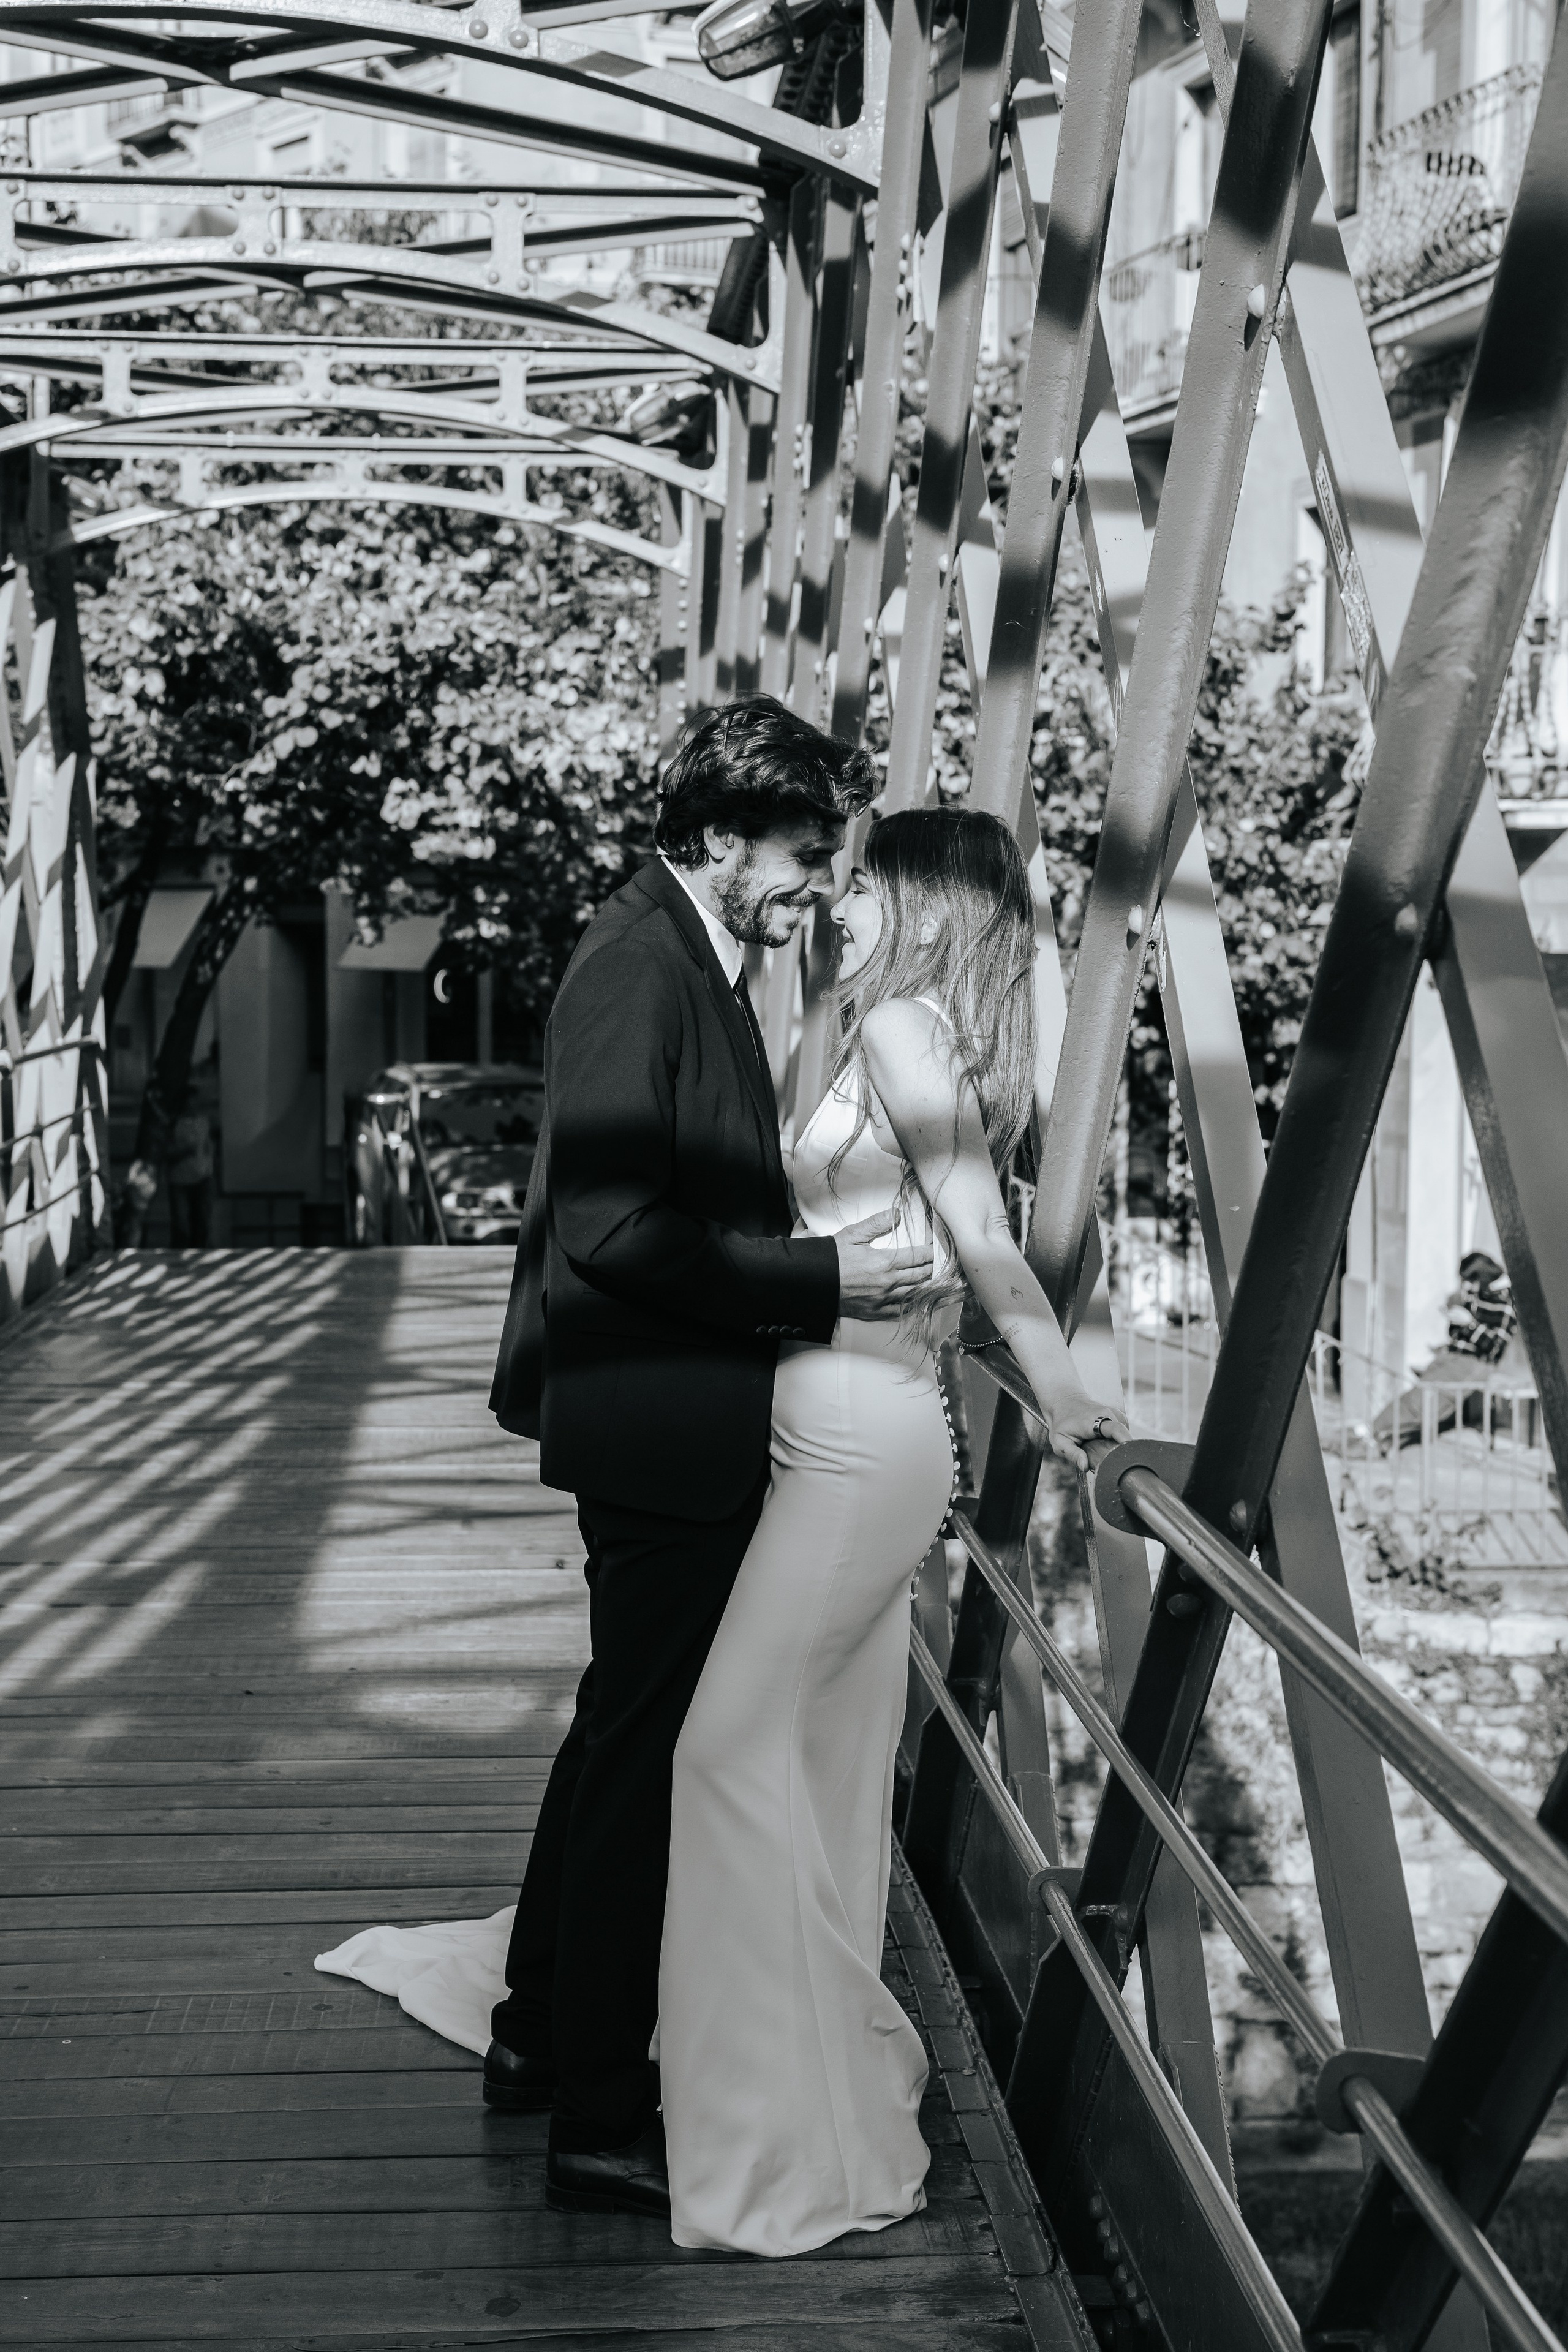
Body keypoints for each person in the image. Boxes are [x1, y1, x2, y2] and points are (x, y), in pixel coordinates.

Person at [654, 805, 1126, 2255]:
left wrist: (1061, 1390)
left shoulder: (908, 1031)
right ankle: (794, 2074)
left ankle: (769, 2115)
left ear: (922, 906)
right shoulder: (920, 1036)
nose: (837, 902)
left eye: (861, 882)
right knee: (816, 1764)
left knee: (720, 1750)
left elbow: (979, 1241)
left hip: (862, 1446)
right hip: (846, 1430)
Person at [484, 696, 934, 2220]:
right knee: (648, 1765)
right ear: (724, 834)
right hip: (661, 1420)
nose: (819, 885)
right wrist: (823, 1281)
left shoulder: (684, 947)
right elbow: (611, 1228)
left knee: (616, 1735)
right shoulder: (641, 966)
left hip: (658, 1408)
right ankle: (599, 2115)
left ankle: (539, 2035)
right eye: (804, 855)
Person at [165, 1090, 214, 1247]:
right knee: (182, 1226)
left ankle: (199, 1254)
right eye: (190, 1102)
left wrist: (209, 1172)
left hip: (202, 1179)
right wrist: (183, 1151)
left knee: (202, 1223)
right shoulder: (174, 1124)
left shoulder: (203, 1122)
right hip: (180, 1181)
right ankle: (180, 1255)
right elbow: (166, 1152)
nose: (193, 1105)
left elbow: (208, 1147)